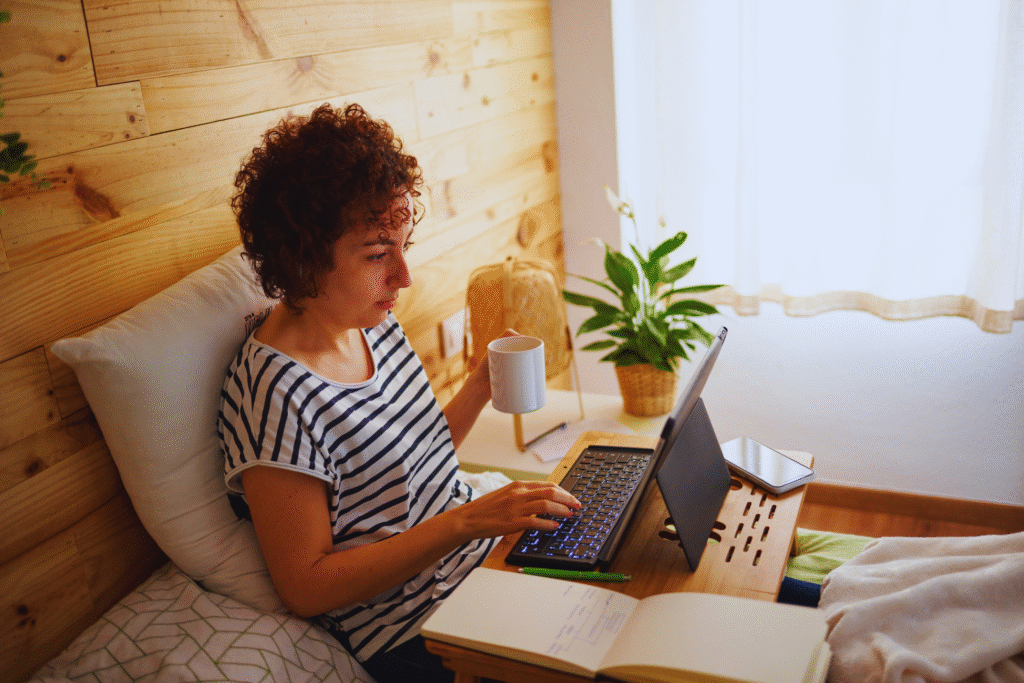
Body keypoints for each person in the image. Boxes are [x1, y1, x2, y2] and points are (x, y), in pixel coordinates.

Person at [217, 103, 580, 683]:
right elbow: (306, 585)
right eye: (378, 253)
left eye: (404, 244)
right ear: (304, 256)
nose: (404, 276)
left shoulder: (371, 323)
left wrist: (478, 389)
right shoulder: (276, 393)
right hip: (420, 634)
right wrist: (466, 522)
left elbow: (416, 455)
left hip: (481, 566)